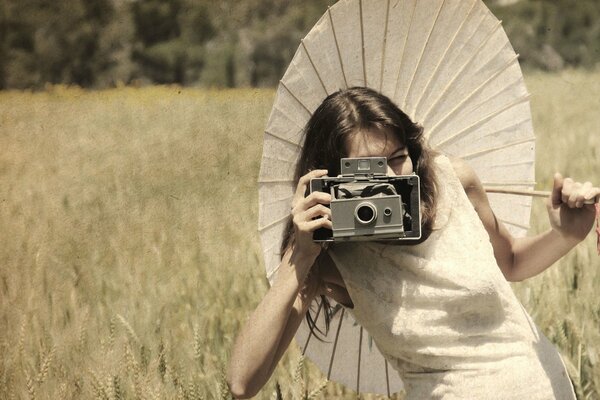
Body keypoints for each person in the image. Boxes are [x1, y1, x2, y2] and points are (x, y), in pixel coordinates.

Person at [227, 87, 599, 399]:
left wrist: (567, 233)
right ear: (331, 179)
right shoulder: (328, 254)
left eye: (397, 158)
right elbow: (243, 382)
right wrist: (302, 255)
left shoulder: (452, 180)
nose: (390, 178)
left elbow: (512, 263)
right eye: (369, 171)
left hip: (541, 386)